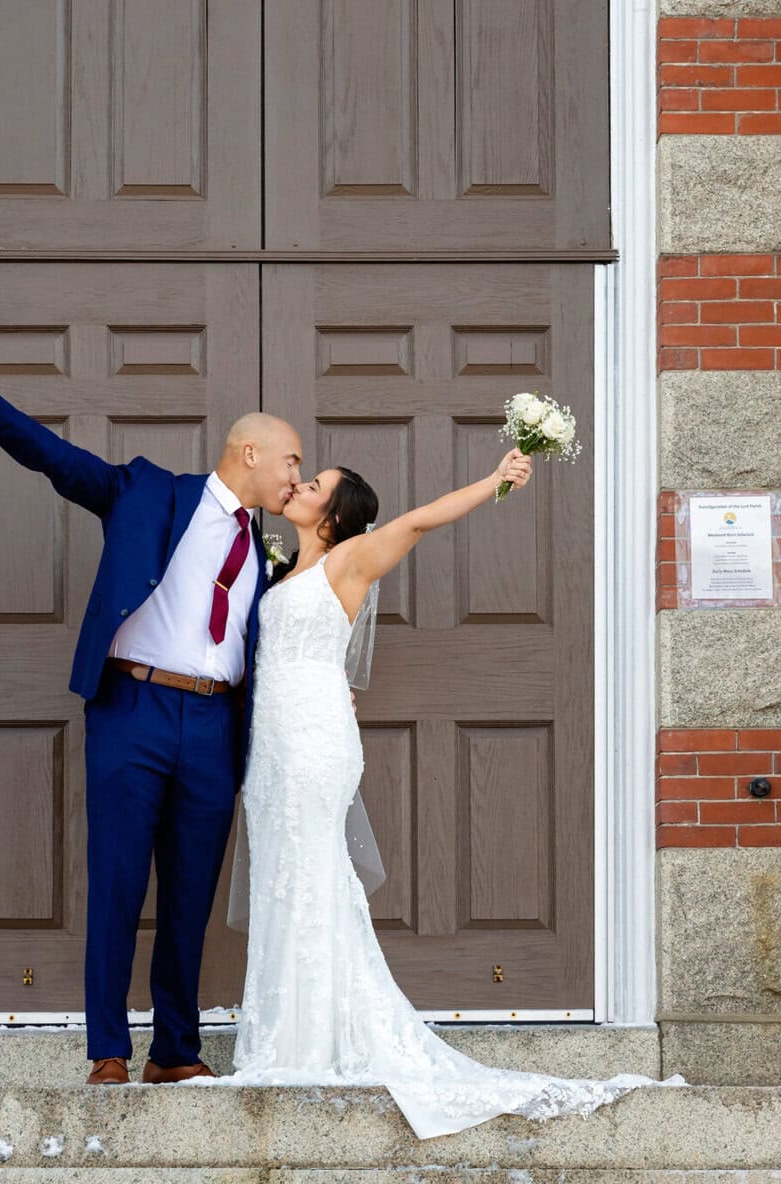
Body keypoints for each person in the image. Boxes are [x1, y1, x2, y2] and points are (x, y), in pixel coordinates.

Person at [0, 325, 301, 1086]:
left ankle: (176, 1052)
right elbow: (62, 464)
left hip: (216, 723)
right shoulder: (151, 491)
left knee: (190, 894)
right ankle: (109, 1050)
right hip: (134, 709)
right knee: (119, 879)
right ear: (248, 453)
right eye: (291, 460)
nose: (298, 475)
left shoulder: (265, 549)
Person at [226, 459, 655, 1139]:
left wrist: (496, 481)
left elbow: (422, 520)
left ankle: (312, 1045)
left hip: (313, 743)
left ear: (336, 514)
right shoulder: (277, 572)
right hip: (271, 747)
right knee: (284, 878)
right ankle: (287, 1034)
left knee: (311, 874)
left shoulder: (352, 558)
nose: (301, 488)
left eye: (316, 485)